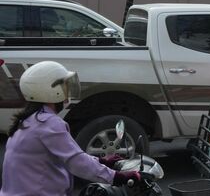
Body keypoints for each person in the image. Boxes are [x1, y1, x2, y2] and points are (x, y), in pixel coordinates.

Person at [0, 61, 141, 196]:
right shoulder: (48, 123)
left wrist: (102, 161)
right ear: (52, 90)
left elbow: (69, 155)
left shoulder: (29, 120)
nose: (67, 91)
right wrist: (118, 177)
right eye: (65, 86)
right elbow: (77, 162)